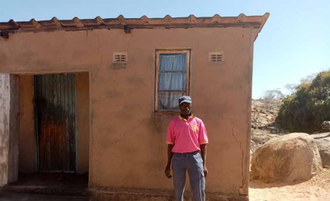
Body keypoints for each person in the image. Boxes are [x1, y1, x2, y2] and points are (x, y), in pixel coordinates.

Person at [165, 95, 209, 201]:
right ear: (180, 107)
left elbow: (203, 144)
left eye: (188, 105)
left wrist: (204, 164)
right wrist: (168, 164)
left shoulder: (198, 122)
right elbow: (170, 145)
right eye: (183, 106)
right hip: (178, 159)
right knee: (178, 189)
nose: (186, 108)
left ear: (191, 105)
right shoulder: (174, 123)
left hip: (194, 158)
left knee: (199, 188)